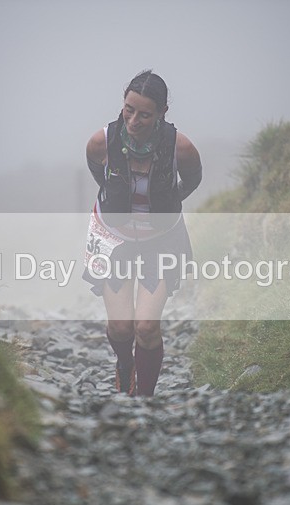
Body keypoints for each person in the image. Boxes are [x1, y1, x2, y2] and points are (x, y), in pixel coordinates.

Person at [83, 70, 202, 396]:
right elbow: (99, 174)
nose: (134, 120)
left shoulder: (181, 148)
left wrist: (165, 205)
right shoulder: (101, 142)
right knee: (121, 327)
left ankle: (144, 401)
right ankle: (125, 365)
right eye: (128, 110)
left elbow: (192, 180)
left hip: (161, 240)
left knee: (146, 327)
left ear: (162, 113)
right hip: (112, 237)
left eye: (145, 114)